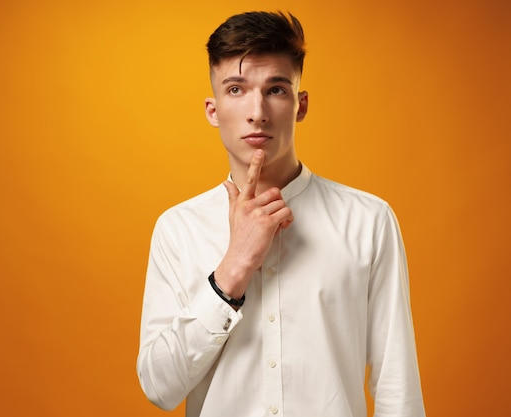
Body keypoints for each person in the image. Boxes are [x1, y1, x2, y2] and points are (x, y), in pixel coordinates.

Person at [137, 11, 425, 417]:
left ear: (300, 105)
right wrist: (233, 270)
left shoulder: (369, 221)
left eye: (276, 89)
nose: (257, 111)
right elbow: (159, 387)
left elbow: (398, 389)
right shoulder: (178, 229)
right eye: (236, 89)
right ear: (213, 110)